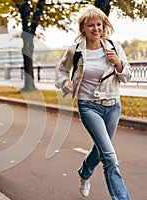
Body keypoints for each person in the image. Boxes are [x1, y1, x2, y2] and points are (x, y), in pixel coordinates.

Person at [55, 8, 131, 199]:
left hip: (113, 106)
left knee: (99, 151)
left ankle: (84, 173)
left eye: (99, 24)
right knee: (110, 157)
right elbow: (61, 71)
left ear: (103, 26)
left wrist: (118, 63)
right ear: (83, 28)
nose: (95, 28)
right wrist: (66, 83)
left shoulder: (114, 46)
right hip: (89, 105)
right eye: (91, 25)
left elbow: (126, 76)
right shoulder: (76, 51)